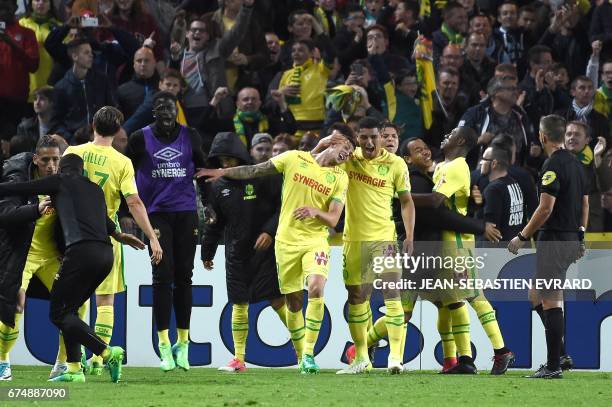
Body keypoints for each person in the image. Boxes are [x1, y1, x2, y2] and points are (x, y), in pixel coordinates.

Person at [197, 124, 354, 374]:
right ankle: (288, 354)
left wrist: (315, 211)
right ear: (331, 142)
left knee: (315, 286)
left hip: (315, 240)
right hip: (286, 242)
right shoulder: (293, 158)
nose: (348, 152)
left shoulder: (340, 177)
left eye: (350, 150)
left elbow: (334, 219)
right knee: (292, 301)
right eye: (345, 145)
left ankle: (308, 355)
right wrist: (220, 171)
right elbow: (254, 170)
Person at [0, 153, 148, 383]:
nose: (52, 167)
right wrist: (119, 234)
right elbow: (105, 219)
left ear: (63, 168)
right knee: (72, 308)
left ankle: (107, 352)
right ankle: (74, 368)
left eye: (56, 162)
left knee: (59, 313)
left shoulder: (59, 181)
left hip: (80, 254)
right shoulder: (94, 190)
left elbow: (20, 187)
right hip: (105, 255)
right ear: (83, 170)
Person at [65, 106, 162, 375]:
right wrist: (153, 237)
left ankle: (76, 360)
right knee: (105, 300)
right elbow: (133, 201)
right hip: (107, 235)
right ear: (119, 130)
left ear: (93, 124)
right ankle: (99, 359)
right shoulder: (122, 162)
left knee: (74, 301)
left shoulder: (74, 153)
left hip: (73, 234)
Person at [322, 117, 415, 375]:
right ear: (358, 138)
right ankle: (361, 358)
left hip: (384, 239)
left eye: (374, 136)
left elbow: (407, 202)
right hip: (353, 241)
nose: (370, 142)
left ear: (381, 135)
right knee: (357, 298)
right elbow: (318, 163)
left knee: (392, 295)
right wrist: (330, 144)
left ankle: (396, 358)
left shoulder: (395, 164)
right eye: (364, 137)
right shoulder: (349, 160)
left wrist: (409, 235)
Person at [127, 91, 206, 372]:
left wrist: (210, 206)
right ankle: (163, 343)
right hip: (156, 214)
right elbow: (127, 173)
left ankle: (182, 344)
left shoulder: (191, 135)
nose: (165, 112)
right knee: (162, 275)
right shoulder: (139, 138)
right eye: (159, 107)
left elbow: (203, 170)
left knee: (185, 275)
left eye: (170, 107)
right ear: (153, 112)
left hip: (186, 213)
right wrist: (128, 211)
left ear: (177, 111)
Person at [508, 114, 589, 379]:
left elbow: (545, 208)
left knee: (551, 301)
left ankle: (553, 366)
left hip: (554, 239)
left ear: (543, 136)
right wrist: (580, 235)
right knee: (536, 293)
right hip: (569, 238)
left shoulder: (552, 164)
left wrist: (521, 236)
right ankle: (561, 353)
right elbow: (585, 204)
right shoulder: (577, 164)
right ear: (562, 134)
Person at [202, 131, 287, 373]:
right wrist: (207, 252)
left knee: (277, 300)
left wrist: (270, 231)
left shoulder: (264, 176)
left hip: (266, 253)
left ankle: (304, 354)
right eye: (221, 160)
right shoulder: (218, 186)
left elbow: (284, 206)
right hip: (236, 254)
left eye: (229, 159)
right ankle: (239, 359)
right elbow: (215, 223)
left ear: (240, 155)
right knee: (239, 303)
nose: (225, 164)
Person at [411, 127, 480, 374]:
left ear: (460, 140)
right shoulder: (444, 166)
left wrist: (401, 197)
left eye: (450, 134)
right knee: (446, 300)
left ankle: (468, 359)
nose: (445, 136)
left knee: (460, 298)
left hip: (458, 242)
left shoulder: (457, 166)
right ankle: (454, 359)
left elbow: (436, 201)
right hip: (444, 241)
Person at [51, 38, 116, 142]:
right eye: (86, 52)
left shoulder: (101, 80)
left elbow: (111, 108)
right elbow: (56, 122)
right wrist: (71, 139)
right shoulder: (61, 87)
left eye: (91, 52)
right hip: (74, 141)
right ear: (74, 56)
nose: (91, 55)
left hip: (100, 137)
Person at [0, 0, 39, 151]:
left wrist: (11, 43)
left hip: (16, 99)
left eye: (7, 7)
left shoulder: (27, 34)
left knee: (14, 143)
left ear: (15, 8)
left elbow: (33, 65)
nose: (3, 11)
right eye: (0, 7)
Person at [480, 145, 526, 242]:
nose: (481, 162)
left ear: (494, 163)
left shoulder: (493, 189)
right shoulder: (514, 183)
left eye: (484, 159)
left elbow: (490, 231)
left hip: (496, 253)